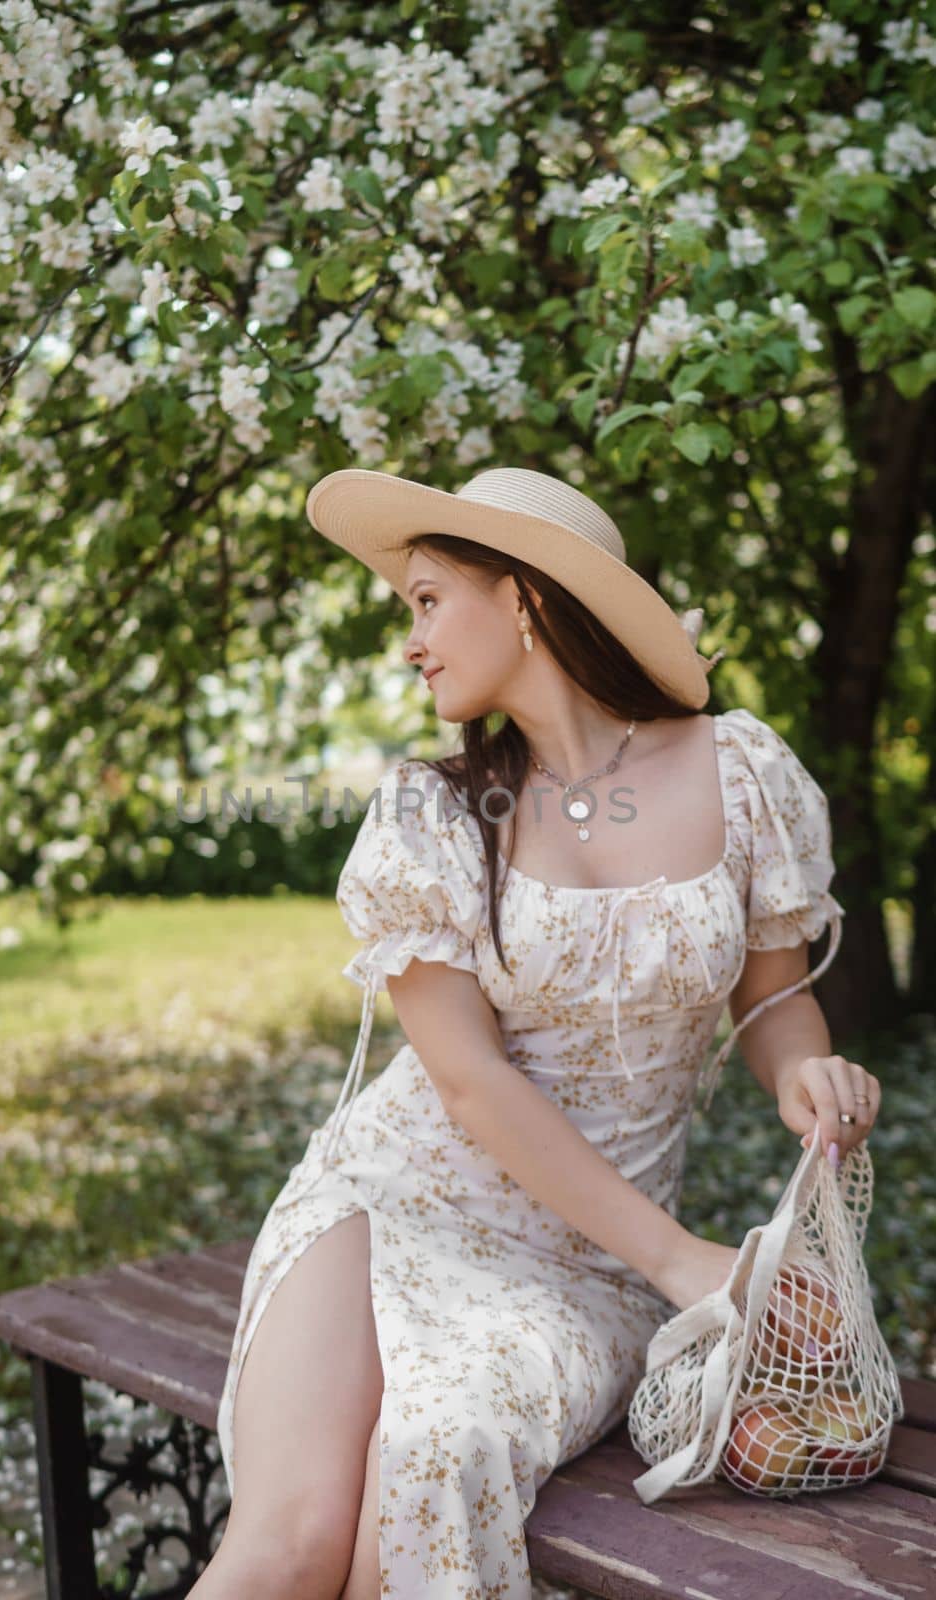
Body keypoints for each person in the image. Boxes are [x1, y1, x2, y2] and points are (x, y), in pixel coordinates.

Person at [187, 466, 879, 1600]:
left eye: (423, 600)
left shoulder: (741, 773)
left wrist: (807, 1071)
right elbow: (465, 1083)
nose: (408, 641)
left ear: (524, 597)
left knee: (435, 1457)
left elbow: (770, 1000)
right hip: (390, 1200)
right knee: (291, 1541)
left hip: (581, 1264)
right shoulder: (430, 814)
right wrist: (685, 1259)